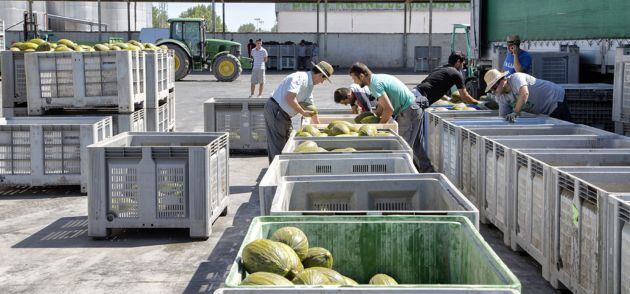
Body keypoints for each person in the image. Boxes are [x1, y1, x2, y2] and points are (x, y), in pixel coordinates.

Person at [349, 62, 433, 172]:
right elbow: (381, 107)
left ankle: (405, 175)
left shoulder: (375, 84)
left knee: (402, 146)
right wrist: (373, 117)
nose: (354, 82)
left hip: (408, 111)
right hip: (412, 108)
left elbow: (389, 109)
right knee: (414, 144)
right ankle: (426, 170)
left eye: (354, 79)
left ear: (361, 76)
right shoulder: (375, 80)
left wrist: (378, 127)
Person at [264, 61, 334, 162]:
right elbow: (289, 98)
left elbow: (311, 107)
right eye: (324, 79)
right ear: (320, 75)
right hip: (276, 110)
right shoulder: (299, 78)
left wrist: (319, 127)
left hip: (284, 114)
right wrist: (302, 112)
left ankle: (281, 169)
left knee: (287, 144)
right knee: (277, 145)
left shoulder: (309, 85)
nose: (322, 82)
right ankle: (275, 173)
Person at [484, 69, 570, 122]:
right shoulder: (502, 98)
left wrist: (515, 112)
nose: (493, 91)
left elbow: (524, 93)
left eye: (494, 87)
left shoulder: (516, 78)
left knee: (565, 128)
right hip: (544, 109)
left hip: (554, 98)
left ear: (502, 80)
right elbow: (503, 117)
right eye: (492, 89)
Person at [414, 51, 479, 106]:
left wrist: (448, 99)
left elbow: (434, 87)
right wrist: (478, 103)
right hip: (420, 99)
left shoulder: (440, 68)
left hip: (414, 93)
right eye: (463, 63)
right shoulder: (456, 73)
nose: (462, 66)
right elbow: (464, 96)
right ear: (458, 62)